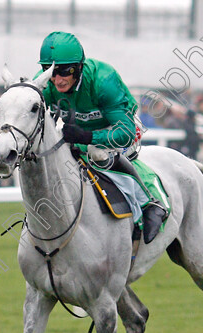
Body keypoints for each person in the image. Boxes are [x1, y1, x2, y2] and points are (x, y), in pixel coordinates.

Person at [36, 31, 167, 244]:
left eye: (65, 71)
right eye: (49, 71)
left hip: (119, 127)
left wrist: (88, 136)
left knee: (98, 154)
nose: (57, 80)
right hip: (82, 131)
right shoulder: (46, 83)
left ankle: (151, 203)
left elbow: (125, 134)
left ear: (78, 67)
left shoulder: (103, 81)